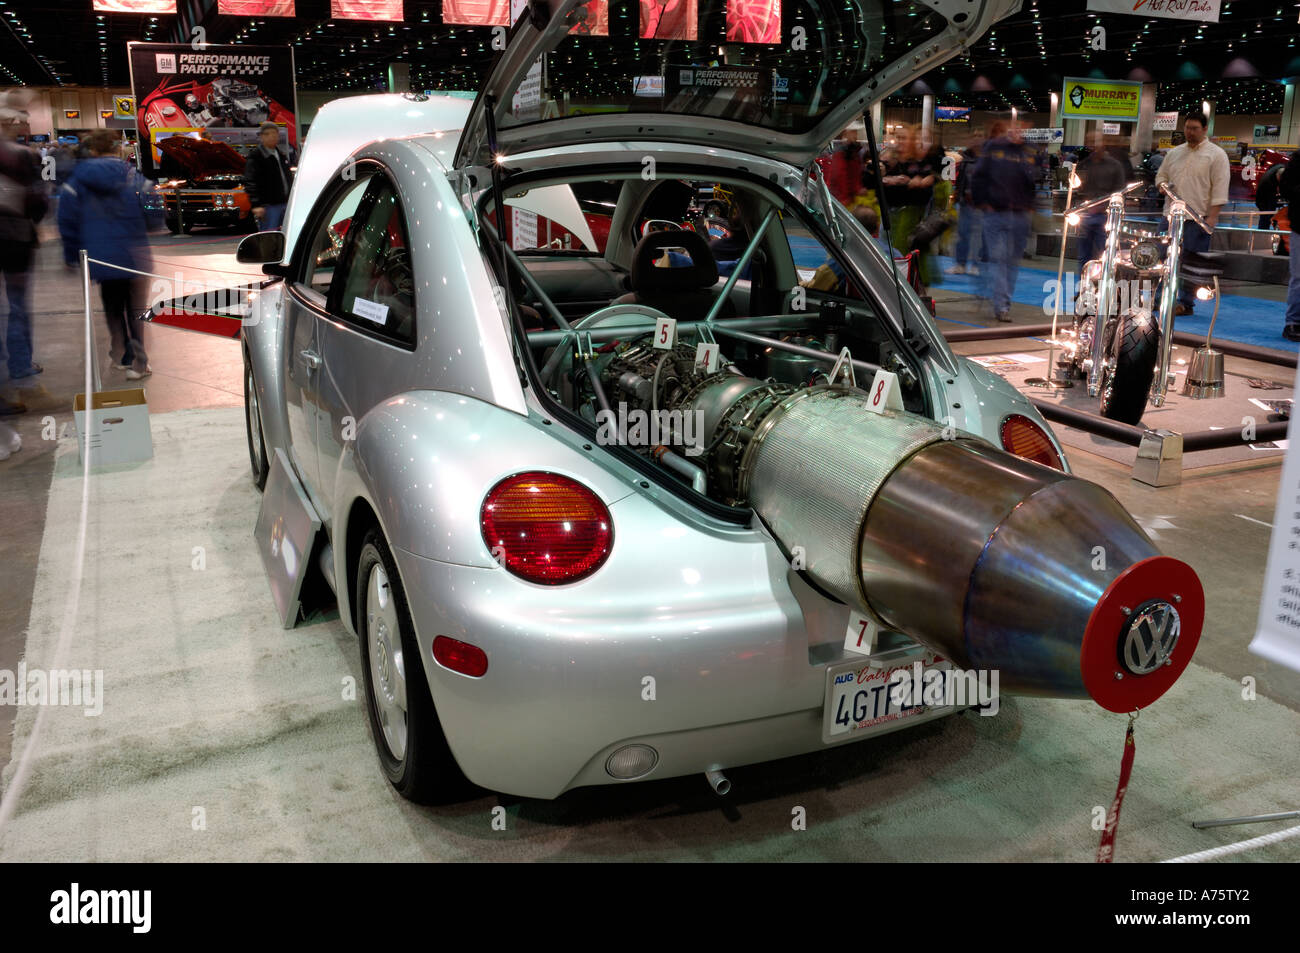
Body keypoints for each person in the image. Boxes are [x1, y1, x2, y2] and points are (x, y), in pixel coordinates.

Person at [58, 128, 157, 380]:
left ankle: (121, 355)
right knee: (136, 309)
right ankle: (139, 363)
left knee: (113, 307)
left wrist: (71, 255)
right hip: (134, 254)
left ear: (91, 150)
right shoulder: (132, 175)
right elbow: (153, 204)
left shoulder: (77, 180)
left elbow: (67, 219)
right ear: (115, 149)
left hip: (101, 255)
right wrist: (151, 224)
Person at [1155, 112, 1229, 316]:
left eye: (1195, 128)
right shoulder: (1174, 153)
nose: (1190, 132)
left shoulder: (1216, 155)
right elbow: (1161, 175)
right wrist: (1161, 185)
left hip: (1197, 218)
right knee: (1161, 258)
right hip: (1170, 216)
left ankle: (1186, 303)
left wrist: (1212, 218)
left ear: (1205, 129)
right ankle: (1158, 298)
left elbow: (1220, 189)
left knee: (1191, 263)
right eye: (1187, 127)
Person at [0, 89, 45, 416]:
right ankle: (22, 375)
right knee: (16, 309)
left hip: (14, 238)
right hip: (15, 239)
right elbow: (36, 201)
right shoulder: (22, 156)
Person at [971, 120, 1037, 322]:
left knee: (1012, 262)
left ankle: (1002, 301)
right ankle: (1001, 306)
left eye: (1023, 128)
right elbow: (979, 176)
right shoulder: (994, 147)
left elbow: (1034, 179)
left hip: (1019, 215)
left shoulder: (1029, 151)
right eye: (1016, 127)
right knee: (998, 259)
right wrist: (982, 202)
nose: (1019, 131)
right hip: (995, 213)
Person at [1074, 130, 1127, 273]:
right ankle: (1083, 290)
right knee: (1083, 257)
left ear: (1103, 143)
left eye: (1095, 141)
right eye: (1089, 142)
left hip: (1105, 216)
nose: (1092, 145)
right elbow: (1077, 189)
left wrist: (1105, 207)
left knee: (1104, 256)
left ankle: (1100, 290)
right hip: (1084, 216)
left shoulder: (1115, 165)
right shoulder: (1083, 165)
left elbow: (1120, 192)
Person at [243, 121, 296, 231]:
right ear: (261, 137)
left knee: (286, 233)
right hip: (268, 206)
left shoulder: (281, 155)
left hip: (285, 203)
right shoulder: (256, 157)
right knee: (270, 236)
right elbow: (250, 181)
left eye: (274, 133)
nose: (271, 136)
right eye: (267, 134)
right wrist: (256, 204)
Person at [948, 137, 983, 275]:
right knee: (962, 234)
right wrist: (957, 195)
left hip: (980, 204)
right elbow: (960, 179)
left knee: (977, 236)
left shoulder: (987, 160)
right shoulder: (964, 160)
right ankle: (960, 264)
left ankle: (976, 265)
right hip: (964, 204)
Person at [1278, 160, 1300, 343]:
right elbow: (1285, 188)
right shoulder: (1298, 160)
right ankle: (1293, 322)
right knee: (1299, 277)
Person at [825, 128, 865, 208]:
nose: (856, 136)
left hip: (847, 199)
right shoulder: (841, 153)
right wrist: (845, 199)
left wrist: (858, 189)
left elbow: (855, 175)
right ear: (846, 134)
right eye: (853, 133)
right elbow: (839, 176)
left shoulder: (854, 153)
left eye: (856, 133)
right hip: (841, 200)